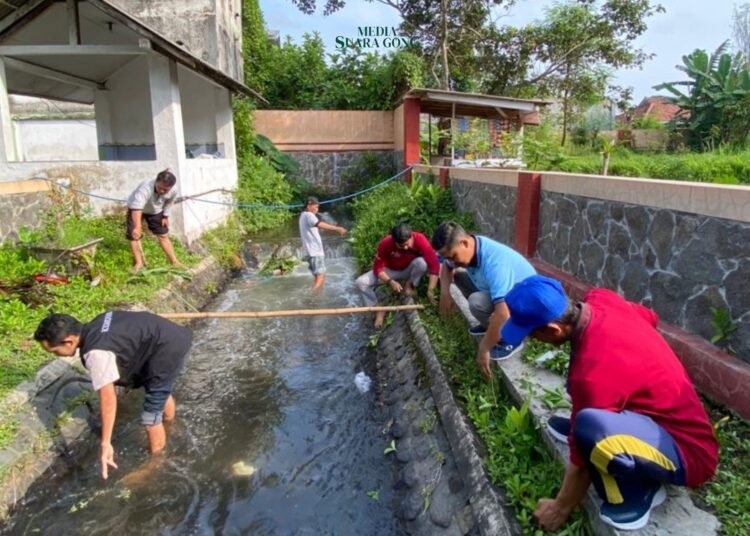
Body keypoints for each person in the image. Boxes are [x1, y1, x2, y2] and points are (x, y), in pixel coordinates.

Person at [500, 276, 719, 531]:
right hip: (654, 421)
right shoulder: (602, 299)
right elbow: (649, 317)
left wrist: (560, 507)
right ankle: (610, 430)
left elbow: (581, 465)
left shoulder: (594, 372)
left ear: (553, 330)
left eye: (531, 334)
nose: (532, 340)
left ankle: (638, 493)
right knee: (584, 417)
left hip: (689, 454)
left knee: (589, 429)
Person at [34, 311, 193, 480]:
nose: (54, 355)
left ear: (68, 341)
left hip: (166, 348)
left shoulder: (95, 354)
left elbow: (108, 397)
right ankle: (170, 424)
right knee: (157, 388)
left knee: (150, 416)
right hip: (168, 337)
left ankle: (155, 464)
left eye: (54, 351)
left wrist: (105, 442)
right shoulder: (97, 322)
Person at [431, 221, 536, 377]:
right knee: (459, 276)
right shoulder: (470, 248)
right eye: (448, 257)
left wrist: (484, 348)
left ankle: (511, 338)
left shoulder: (495, 262)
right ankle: (489, 324)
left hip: (526, 306)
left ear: (464, 243)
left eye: (453, 256)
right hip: (505, 296)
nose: (452, 261)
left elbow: (503, 312)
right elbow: (447, 267)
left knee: (476, 302)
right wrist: (445, 294)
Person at [356, 222, 439, 328]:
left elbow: (434, 265)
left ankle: (409, 285)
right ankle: (378, 310)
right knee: (360, 282)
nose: (405, 248)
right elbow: (378, 268)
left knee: (422, 263)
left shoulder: (420, 239)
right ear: (394, 241)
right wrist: (390, 281)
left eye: (407, 244)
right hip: (390, 271)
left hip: (409, 269)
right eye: (401, 245)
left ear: (411, 236)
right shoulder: (385, 243)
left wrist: (430, 291)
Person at [127, 169, 181, 271]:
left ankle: (174, 262)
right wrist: (138, 227)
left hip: (155, 210)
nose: (162, 191)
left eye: (165, 190)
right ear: (156, 181)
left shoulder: (174, 190)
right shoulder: (145, 188)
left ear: (171, 187)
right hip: (136, 209)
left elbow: (170, 202)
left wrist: (165, 216)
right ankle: (139, 263)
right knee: (134, 236)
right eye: (160, 187)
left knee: (163, 235)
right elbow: (137, 207)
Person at [299, 196, 347, 290]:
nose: (317, 209)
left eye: (318, 207)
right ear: (308, 206)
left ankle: (316, 297)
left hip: (310, 252)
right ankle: (313, 297)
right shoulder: (309, 215)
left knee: (317, 277)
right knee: (321, 277)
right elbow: (319, 224)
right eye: (315, 207)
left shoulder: (302, 215)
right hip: (315, 252)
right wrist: (338, 228)